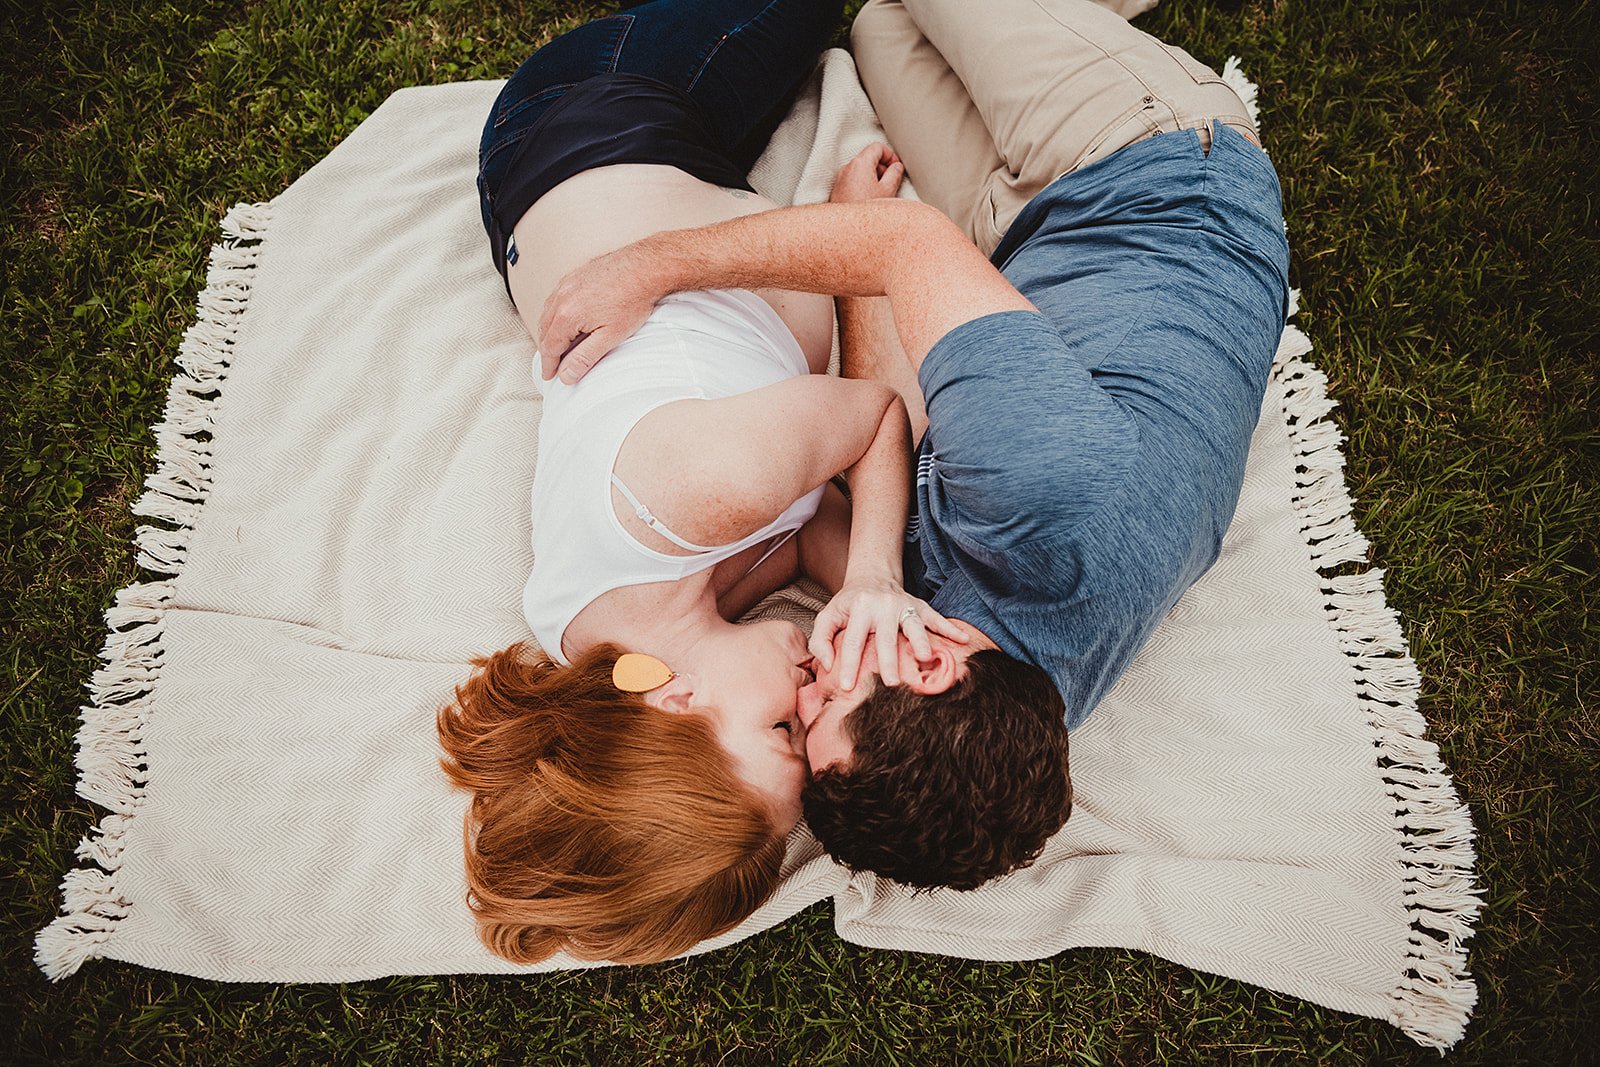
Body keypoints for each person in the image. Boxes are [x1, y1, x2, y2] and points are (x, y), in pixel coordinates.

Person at [536, 0, 1291, 890]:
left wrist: (854, 240)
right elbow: (906, 245)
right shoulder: (1046, 498)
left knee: (881, 30)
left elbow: (877, 422)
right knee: (900, 16)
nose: (807, 674)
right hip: (1150, 164)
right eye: (825, 705)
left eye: (796, 720)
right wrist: (648, 266)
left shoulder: (996, 707)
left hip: (1027, 242)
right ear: (930, 663)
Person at [436, 0, 965, 966]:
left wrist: (878, 574)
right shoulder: (619, 639)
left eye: (778, 732)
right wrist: (887, 614)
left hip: (595, 122)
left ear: (672, 703)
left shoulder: (693, 497)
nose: (810, 710)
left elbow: (875, 419)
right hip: (593, 202)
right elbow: (801, 537)